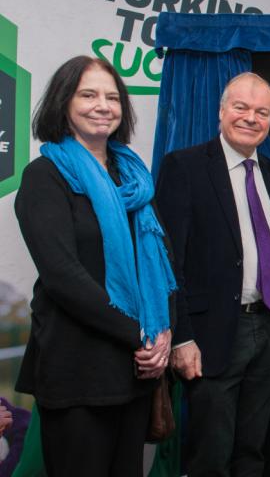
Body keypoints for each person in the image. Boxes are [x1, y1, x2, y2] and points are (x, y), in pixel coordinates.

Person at [14, 56, 176, 476]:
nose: (102, 105)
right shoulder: (44, 176)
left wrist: (164, 333)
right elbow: (62, 276)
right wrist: (138, 334)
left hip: (134, 370)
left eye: (112, 96)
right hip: (77, 370)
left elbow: (160, 263)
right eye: (88, 94)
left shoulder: (134, 180)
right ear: (63, 104)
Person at [155, 72, 270, 476]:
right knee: (210, 455)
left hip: (266, 327)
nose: (251, 118)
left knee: (251, 450)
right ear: (221, 112)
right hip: (211, 336)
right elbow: (168, 259)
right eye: (241, 107)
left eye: (262, 112)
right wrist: (181, 336)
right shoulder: (184, 167)